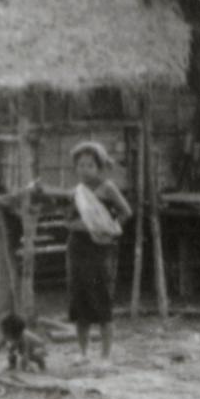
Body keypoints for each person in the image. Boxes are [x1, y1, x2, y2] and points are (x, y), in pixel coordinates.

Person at [63, 142, 132, 361]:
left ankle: (105, 356)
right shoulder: (76, 192)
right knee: (79, 297)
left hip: (100, 248)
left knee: (102, 297)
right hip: (77, 246)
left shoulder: (107, 188)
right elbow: (67, 219)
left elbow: (126, 212)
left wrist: (109, 228)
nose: (84, 170)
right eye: (81, 165)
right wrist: (78, 225)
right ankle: (83, 353)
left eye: (90, 165)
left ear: (99, 167)